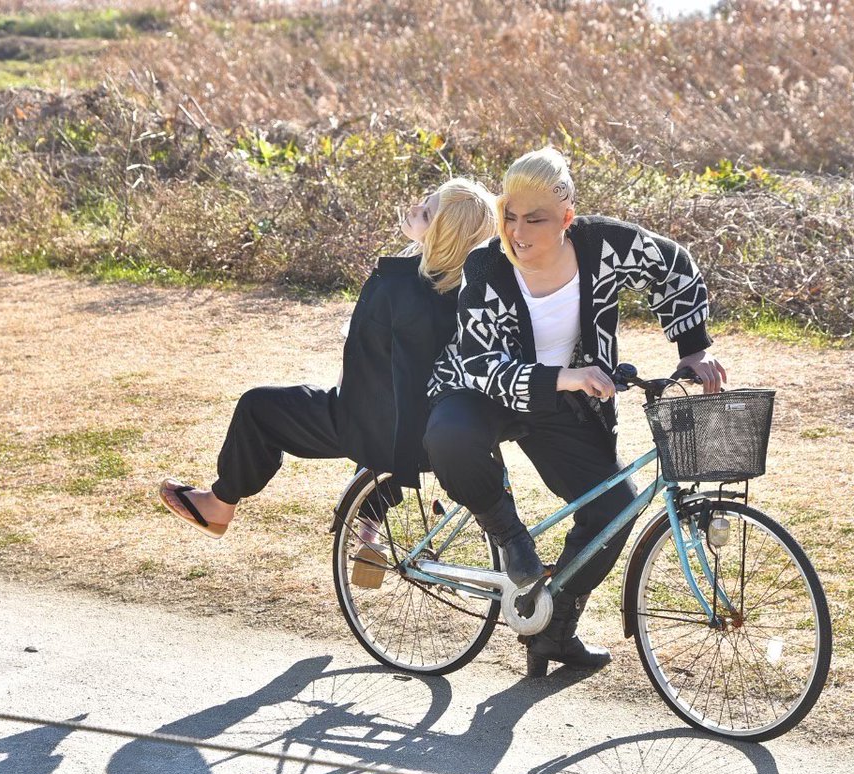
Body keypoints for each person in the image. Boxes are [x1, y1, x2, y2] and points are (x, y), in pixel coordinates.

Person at [423, 147, 727, 677]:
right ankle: (510, 538)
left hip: (561, 404)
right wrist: (563, 377)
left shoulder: (602, 245)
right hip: (481, 394)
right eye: (509, 215)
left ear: (567, 218)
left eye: (535, 219)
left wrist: (693, 349)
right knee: (448, 435)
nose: (518, 232)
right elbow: (479, 362)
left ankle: (554, 630)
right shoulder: (487, 266)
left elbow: (673, 266)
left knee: (615, 506)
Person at [159, 177, 498, 543]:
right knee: (385, 409)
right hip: (432, 426)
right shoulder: (469, 291)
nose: (415, 209)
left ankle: (219, 505)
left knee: (258, 408)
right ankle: (367, 531)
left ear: (443, 236)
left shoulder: (398, 286)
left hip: (380, 427)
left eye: (427, 213)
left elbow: (364, 363)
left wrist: (345, 388)